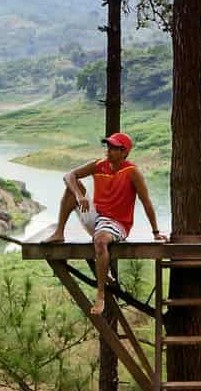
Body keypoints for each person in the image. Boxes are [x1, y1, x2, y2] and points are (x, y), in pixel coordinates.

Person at [45, 131, 164, 313]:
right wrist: (79, 195)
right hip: (96, 217)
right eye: (108, 147)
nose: (108, 151)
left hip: (117, 224)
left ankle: (100, 295)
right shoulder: (99, 165)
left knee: (100, 241)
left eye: (114, 148)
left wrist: (156, 233)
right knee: (72, 187)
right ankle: (59, 232)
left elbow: (146, 202)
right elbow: (69, 175)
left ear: (124, 152)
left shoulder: (132, 172)